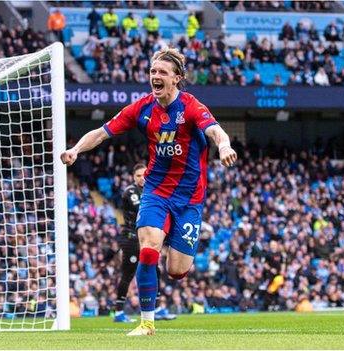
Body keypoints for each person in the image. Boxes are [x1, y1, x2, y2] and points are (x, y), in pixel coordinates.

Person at [61, 47, 237, 336]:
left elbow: (216, 130)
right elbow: (102, 132)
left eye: (162, 72)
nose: (155, 76)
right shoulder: (142, 108)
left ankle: (175, 247)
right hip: (156, 191)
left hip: (189, 199)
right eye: (153, 71)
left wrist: (225, 145)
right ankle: (146, 323)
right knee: (148, 248)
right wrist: (76, 149)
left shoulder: (191, 107)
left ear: (177, 78)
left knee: (177, 271)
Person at [113, 163, 176, 323]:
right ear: (133, 177)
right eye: (138, 176)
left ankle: (157, 308)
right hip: (132, 238)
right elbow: (143, 209)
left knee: (155, 270)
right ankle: (118, 312)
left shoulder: (152, 191)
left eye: (144, 175)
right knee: (128, 273)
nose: (142, 178)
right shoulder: (131, 192)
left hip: (147, 238)